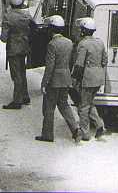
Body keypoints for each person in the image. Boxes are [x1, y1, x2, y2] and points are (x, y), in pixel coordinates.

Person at [37, 15, 80, 143]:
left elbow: (50, 66)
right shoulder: (69, 43)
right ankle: (75, 129)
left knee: (49, 108)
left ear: (51, 29)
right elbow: (72, 61)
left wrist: (44, 82)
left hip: (54, 81)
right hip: (66, 79)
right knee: (64, 105)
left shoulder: (52, 44)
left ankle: (47, 135)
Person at [72, 18, 107, 141]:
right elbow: (104, 61)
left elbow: (79, 64)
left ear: (83, 31)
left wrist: (75, 79)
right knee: (89, 103)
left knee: (83, 106)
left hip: (87, 78)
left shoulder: (83, 44)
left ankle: (85, 133)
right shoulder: (100, 42)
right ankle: (100, 126)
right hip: (98, 78)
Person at [0, 0, 32, 109]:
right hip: (24, 47)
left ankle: (17, 101)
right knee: (22, 72)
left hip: (13, 48)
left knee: (16, 75)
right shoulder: (27, 15)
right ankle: (25, 95)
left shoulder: (8, 16)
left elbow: (3, 38)